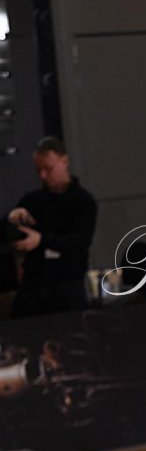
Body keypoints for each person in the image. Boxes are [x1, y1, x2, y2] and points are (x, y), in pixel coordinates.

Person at [3, 136, 97, 317]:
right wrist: (11, 218)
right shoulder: (32, 200)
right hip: (33, 286)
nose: (43, 176)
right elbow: (8, 233)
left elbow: (79, 243)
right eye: (38, 170)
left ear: (65, 161)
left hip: (67, 287)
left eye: (48, 169)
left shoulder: (83, 201)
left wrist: (41, 240)